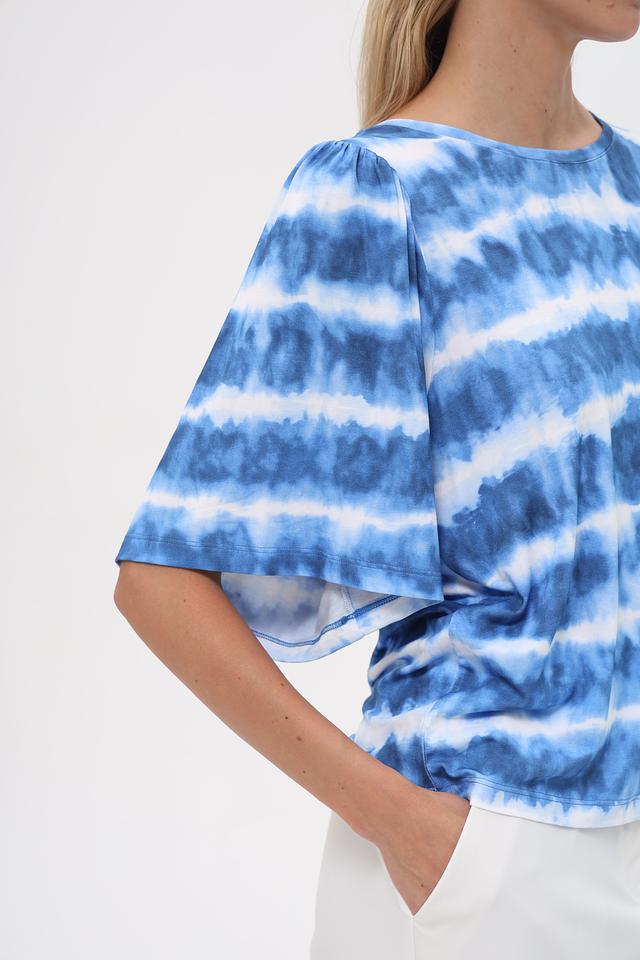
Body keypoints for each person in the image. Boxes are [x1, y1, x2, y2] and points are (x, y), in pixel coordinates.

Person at [113, 0, 640, 956]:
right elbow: (161, 582)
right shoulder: (376, 194)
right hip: (482, 855)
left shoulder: (628, 188)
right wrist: (405, 826)